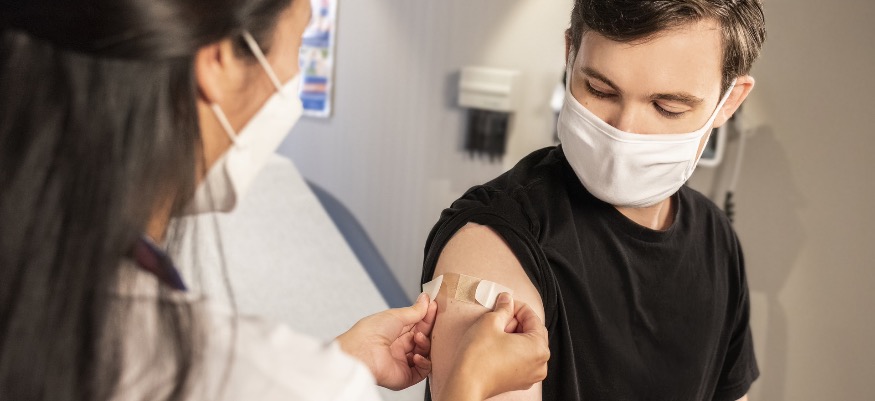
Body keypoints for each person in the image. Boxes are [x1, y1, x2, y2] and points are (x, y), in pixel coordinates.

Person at [0, 0, 550, 400]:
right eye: (302, 43)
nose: (293, 76)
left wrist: (338, 360)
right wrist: (465, 387)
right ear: (218, 59)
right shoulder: (258, 375)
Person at [422, 0, 766, 400]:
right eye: (600, 90)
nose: (624, 131)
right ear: (571, 55)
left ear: (729, 101)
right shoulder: (494, 239)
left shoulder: (717, 241)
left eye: (667, 107)